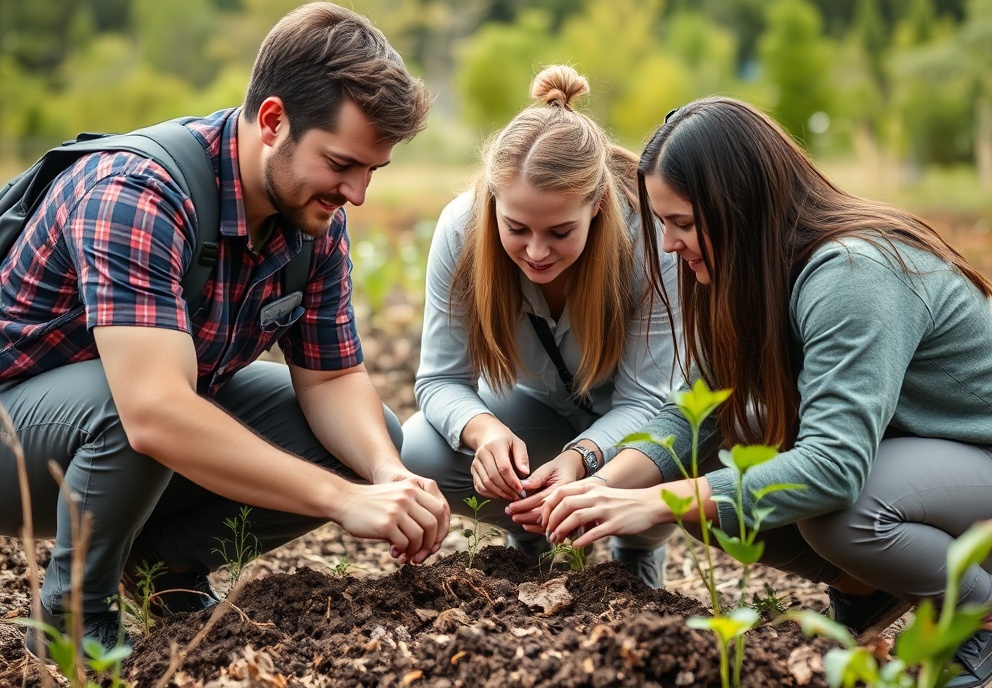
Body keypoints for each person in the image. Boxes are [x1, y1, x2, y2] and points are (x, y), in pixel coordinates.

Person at [0, 2, 450, 657]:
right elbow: (153, 413)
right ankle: (74, 622)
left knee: (371, 436)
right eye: (342, 164)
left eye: (370, 172)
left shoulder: (310, 213)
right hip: (20, 441)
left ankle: (164, 568)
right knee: (131, 407)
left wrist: (384, 476)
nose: (356, 194)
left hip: (125, 444)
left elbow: (331, 377)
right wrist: (340, 500)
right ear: (273, 120)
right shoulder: (138, 194)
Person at [521, 96, 992, 687]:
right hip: (934, 474)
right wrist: (598, 486)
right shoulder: (750, 276)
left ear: (741, 208)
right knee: (700, 468)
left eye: (683, 223)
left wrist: (656, 503)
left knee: (842, 512)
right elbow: (692, 412)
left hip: (978, 463)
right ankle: (867, 590)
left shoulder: (850, 273)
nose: (668, 245)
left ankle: (981, 617)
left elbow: (834, 466)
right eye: (661, 222)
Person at [401, 65, 680, 587]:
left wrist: (579, 459)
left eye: (559, 232)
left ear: (597, 207)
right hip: (542, 411)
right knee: (419, 449)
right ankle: (527, 534)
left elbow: (648, 405)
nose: (535, 252)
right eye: (516, 228)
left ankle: (636, 548)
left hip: (635, 426)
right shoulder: (461, 230)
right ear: (492, 204)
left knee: (672, 443)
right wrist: (485, 433)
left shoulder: (650, 242)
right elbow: (438, 381)